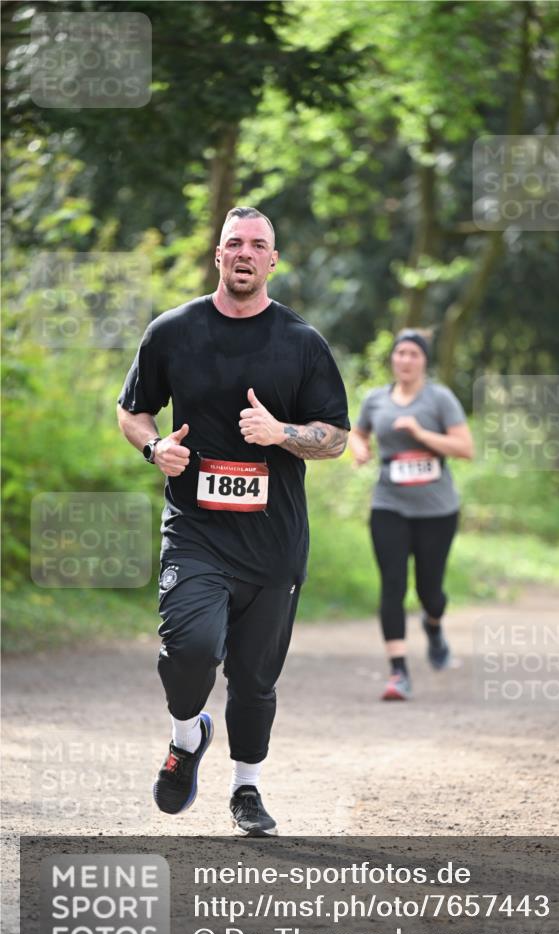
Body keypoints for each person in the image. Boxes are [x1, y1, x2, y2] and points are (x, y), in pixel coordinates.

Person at [117, 206, 349, 835]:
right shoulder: (173, 331)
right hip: (195, 530)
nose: (244, 253)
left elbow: (335, 438)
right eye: (233, 243)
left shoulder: (301, 343)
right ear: (217, 255)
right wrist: (153, 449)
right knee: (189, 650)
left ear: (273, 260)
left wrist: (281, 432)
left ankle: (246, 788)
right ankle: (186, 736)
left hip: (273, 542)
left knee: (253, 679)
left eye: (258, 245)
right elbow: (133, 410)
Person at [348, 330, 473, 701]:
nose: (405, 360)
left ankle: (433, 626)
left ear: (424, 361)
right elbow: (358, 432)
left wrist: (421, 433)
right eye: (400, 353)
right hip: (389, 503)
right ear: (393, 359)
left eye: (413, 354)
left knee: (429, 591)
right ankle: (398, 672)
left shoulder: (440, 398)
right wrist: (360, 449)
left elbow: (465, 448)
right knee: (392, 584)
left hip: (437, 509)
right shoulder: (375, 400)